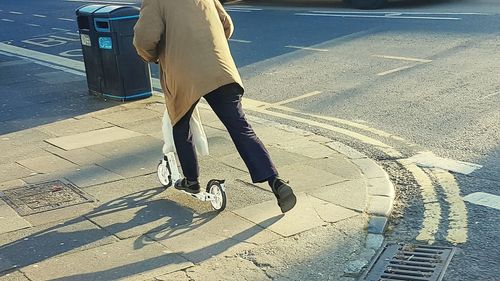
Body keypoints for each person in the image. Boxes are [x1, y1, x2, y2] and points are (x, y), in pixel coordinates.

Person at [133, 0, 296, 213]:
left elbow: (144, 39)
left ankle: (191, 180)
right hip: (220, 69)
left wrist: (155, 56)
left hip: (184, 74)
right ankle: (276, 182)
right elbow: (227, 25)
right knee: (240, 127)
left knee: (181, 124)